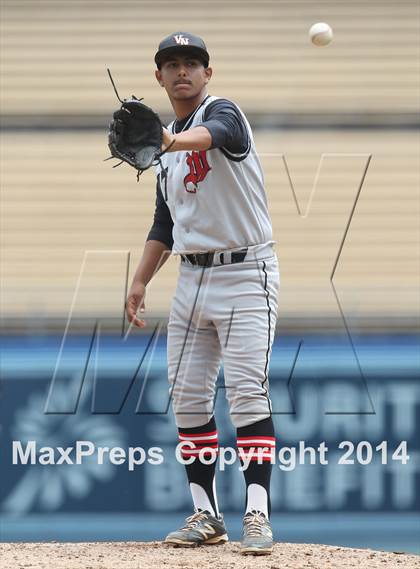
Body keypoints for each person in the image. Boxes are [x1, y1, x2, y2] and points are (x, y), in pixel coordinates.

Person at [125, 31, 280, 555]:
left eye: (192, 62)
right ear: (159, 77)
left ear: (208, 73)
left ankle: (256, 514)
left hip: (245, 271)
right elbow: (165, 222)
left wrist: (167, 143)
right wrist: (141, 278)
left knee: (246, 393)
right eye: (172, 64)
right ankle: (206, 514)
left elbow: (216, 135)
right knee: (188, 396)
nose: (183, 71)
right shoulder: (165, 143)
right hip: (190, 277)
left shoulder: (224, 112)